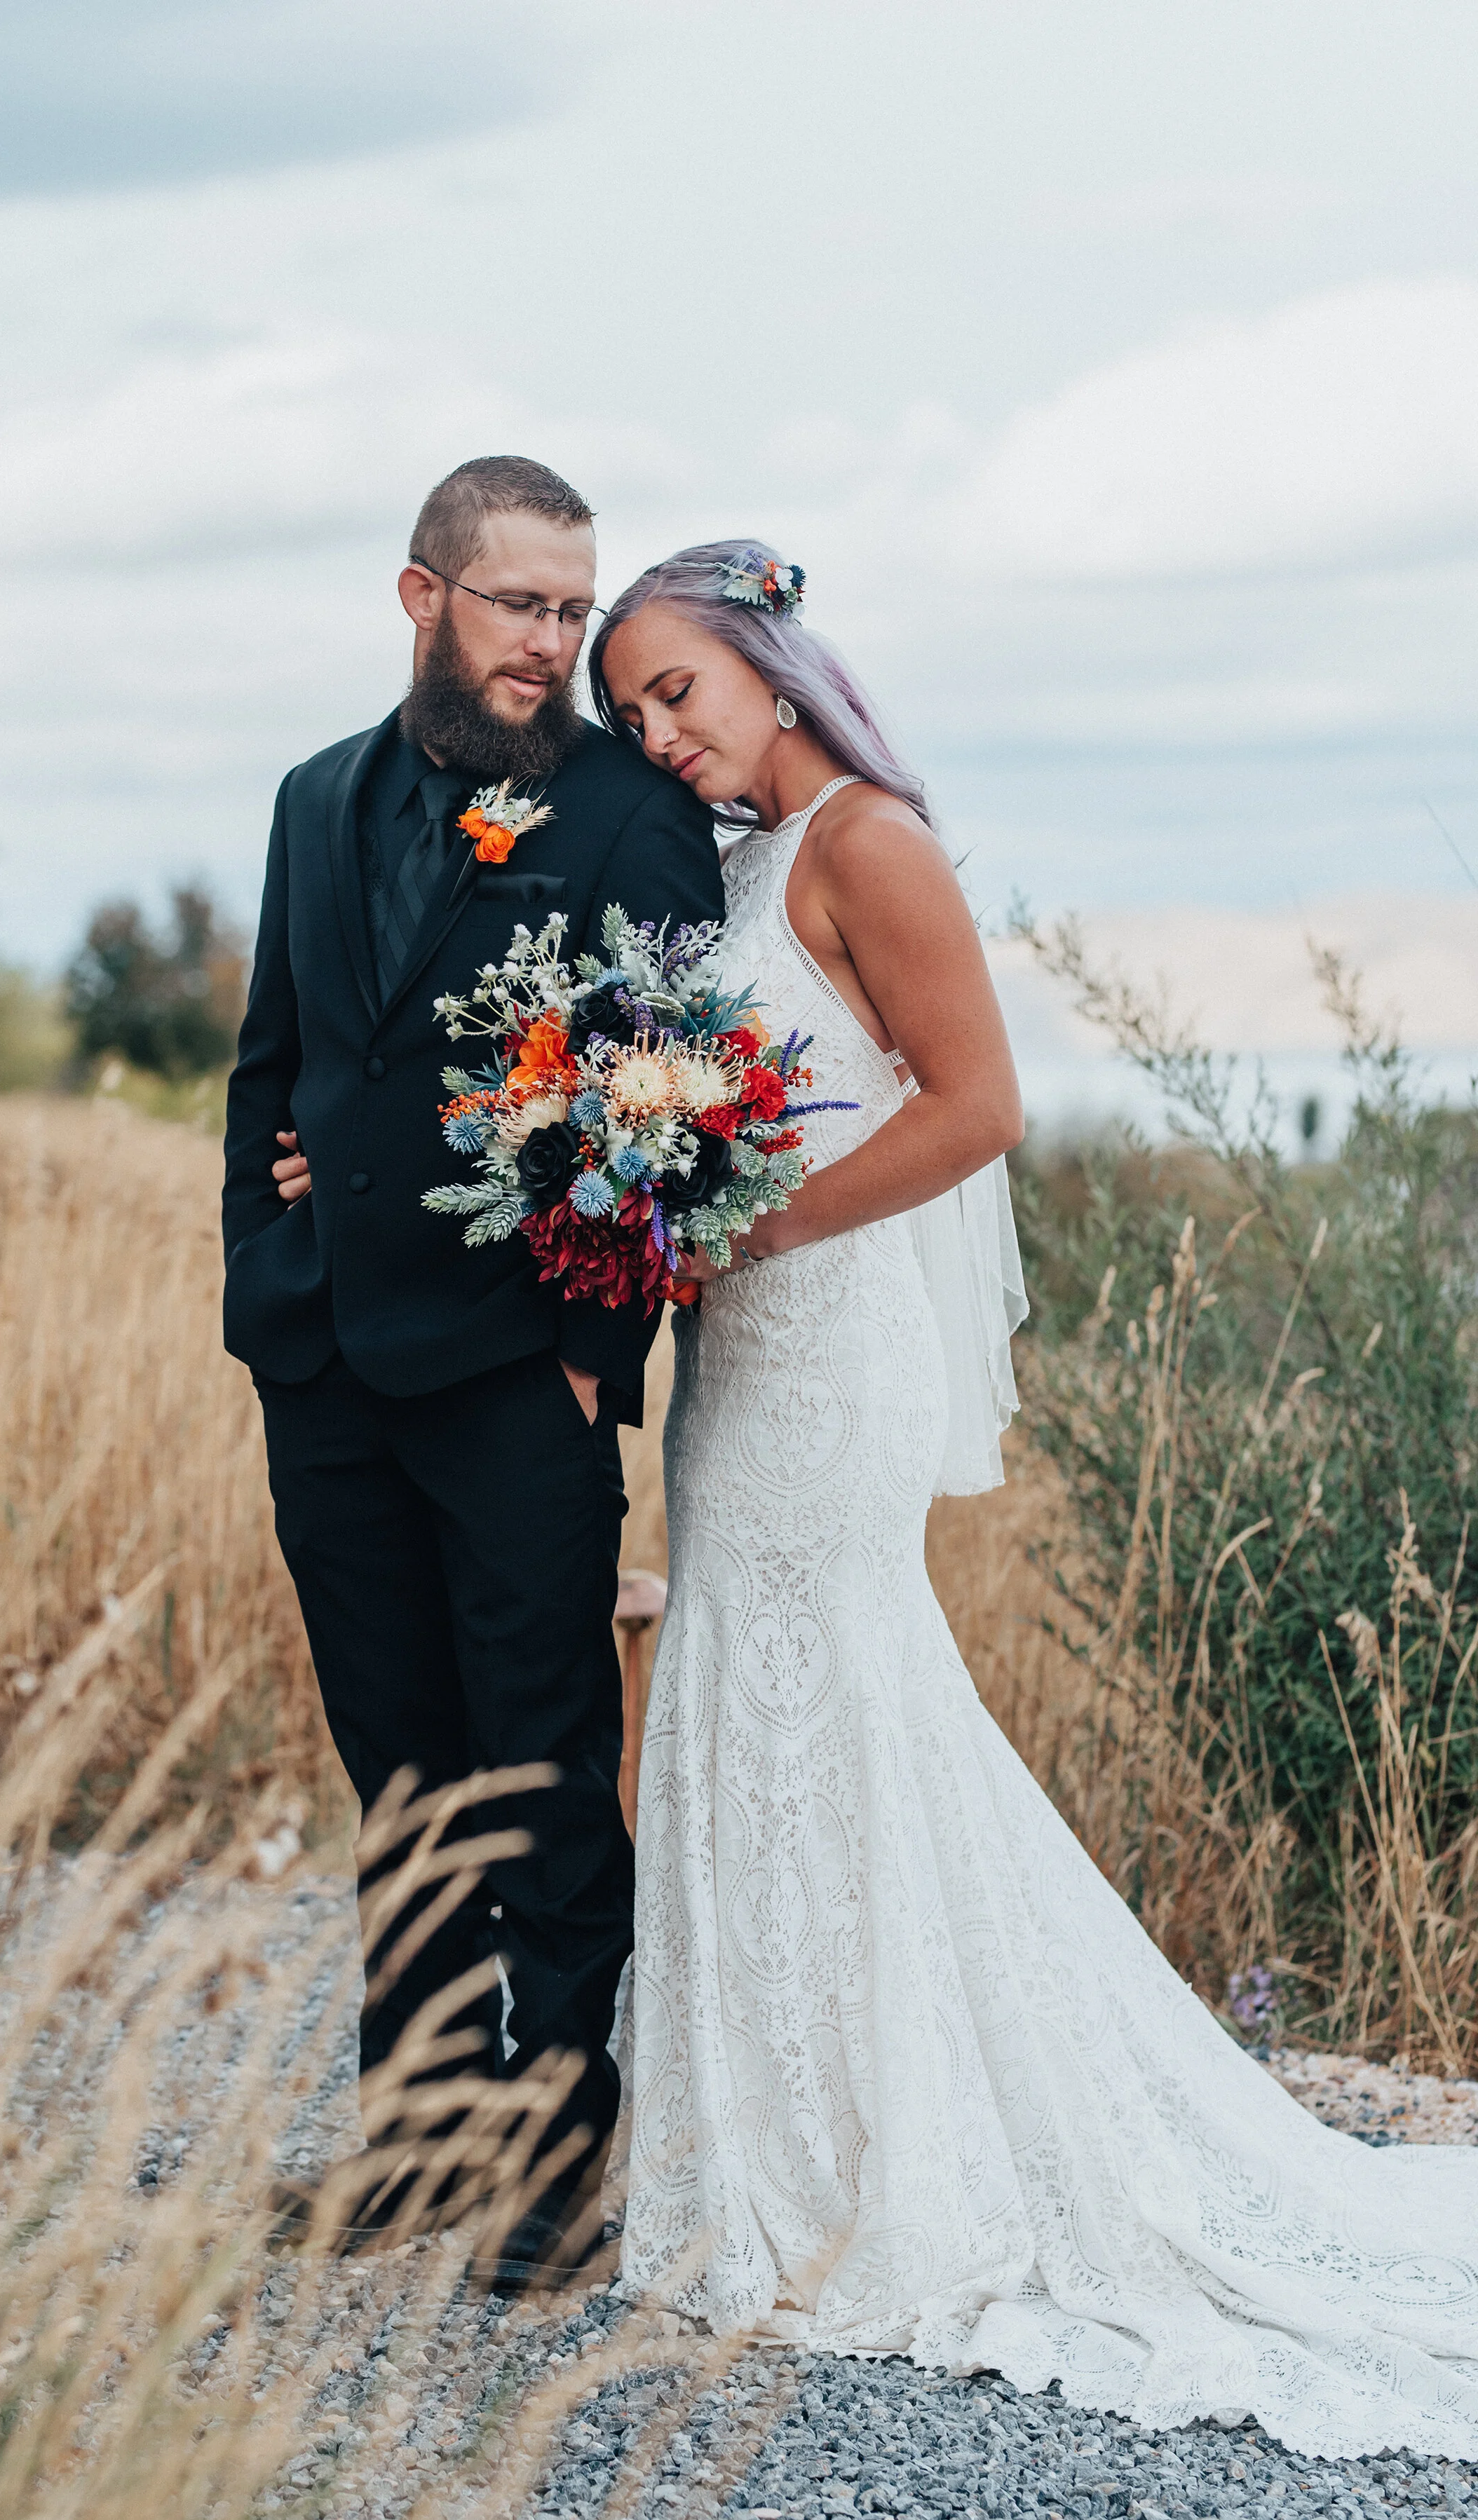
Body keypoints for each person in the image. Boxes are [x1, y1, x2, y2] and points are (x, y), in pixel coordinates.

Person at [590, 541, 1478, 2458]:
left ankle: (893, 2153)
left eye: (678, 689)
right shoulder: (742, 861)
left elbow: (976, 1106)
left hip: (823, 1343)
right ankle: (789, 2133)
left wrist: (731, 1228)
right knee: (761, 1678)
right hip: (746, 1348)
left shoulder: (866, 839)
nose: (659, 734)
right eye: (632, 713)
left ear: (766, 660)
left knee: (822, 1680)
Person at [222, 459, 722, 2275]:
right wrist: (269, 1285)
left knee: (540, 1775)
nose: (556, 645)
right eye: (523, 606)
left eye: (575, 611)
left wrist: (597, 1355)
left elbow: (663, 1094)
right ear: (423, 597)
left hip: (521, 1378)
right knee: (407, 1779)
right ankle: (420, 2141)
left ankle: (561, 2162)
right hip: (328, 1375)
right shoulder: (308, 803)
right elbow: (274, 1069)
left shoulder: (623, 817)